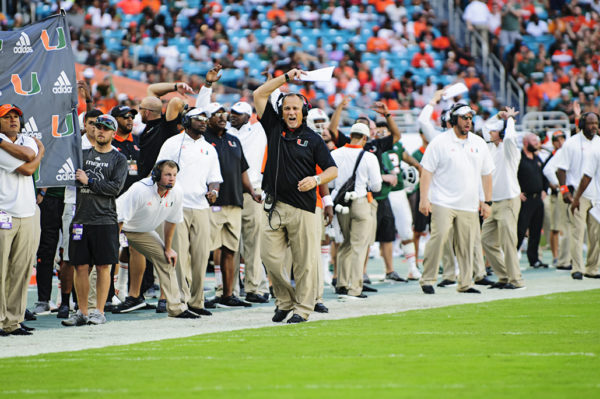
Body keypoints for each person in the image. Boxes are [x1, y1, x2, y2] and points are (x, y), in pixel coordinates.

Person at [253, 68, 338, 323]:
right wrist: (287, 79)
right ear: (281, 111)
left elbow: (333, 169)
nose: (291, 112)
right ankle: (286, 299)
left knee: (304, 263)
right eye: (287, 108)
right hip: (273, 205)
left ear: (304, 112)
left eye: (296, 109)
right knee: (269, 258)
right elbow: (259, 93)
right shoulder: (273, 126)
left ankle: (302, 308)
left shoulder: (313, 139)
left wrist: (316, 179)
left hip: (304, 208)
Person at [419, 104, 494, 294]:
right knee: (439, 238)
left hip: (468, 203)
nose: (468, 121)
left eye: (470, 117)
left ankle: (466, 282)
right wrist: (423, 199)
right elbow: (426, 171)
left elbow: (487, 174)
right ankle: (427, 279)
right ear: (454, 120)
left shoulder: (478, 143)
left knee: (467, 244)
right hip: (442, 201)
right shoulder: (440, 141)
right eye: (464, 118)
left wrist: (487, 201)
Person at [62, 115, 127, 326]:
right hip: (80, 218)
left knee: (103, 267)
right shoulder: (81, 155)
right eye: (98, 127)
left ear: (113, 134)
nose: (101, 131)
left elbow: (114, 189)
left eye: (106, 128)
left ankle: (98, 311)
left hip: (105, 220)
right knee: (80, 267)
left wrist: (88, 181)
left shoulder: (119, 159)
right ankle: (81, 312)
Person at [157, 107, 222, 315]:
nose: (204, 122)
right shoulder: (172, 143)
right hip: (178, 205)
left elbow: (215, 178)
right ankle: (180, 302)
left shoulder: (210, 148)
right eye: (198, 119)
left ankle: (197, 302)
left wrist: (213, 192)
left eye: (206, 119)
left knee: (202, 256)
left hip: (202, 207)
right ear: (186, 121)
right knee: (178, 256)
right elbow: (158, 170)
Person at [116, 160, 199, 318]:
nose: (172, 178)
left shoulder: (177, 192)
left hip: (141, 231)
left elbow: (172, 221)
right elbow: (120, 219)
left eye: (174, 175)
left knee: (166, 260)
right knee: (103, 262)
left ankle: (176, 308)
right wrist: (113, 246)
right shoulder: (140, 189)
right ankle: (92, 308)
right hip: (116, 224)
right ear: (156, 175)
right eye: (168, 174)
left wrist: (168, 249)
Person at [203, 102, 261, 308]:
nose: (221, 116)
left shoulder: (233, 141)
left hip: (235, 202)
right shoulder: (201, 140)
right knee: (204, 250)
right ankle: (196, 296)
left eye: (222, 113)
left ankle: (228, 294)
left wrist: (252, 192)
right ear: (207, 119)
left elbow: (242, 169)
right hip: (210, 204)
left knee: (231, 249)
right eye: (215, 114)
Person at [0, 104, 45, 336]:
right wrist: (41, 154)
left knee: (21, 269)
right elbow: (29, 166)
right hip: (3, 212)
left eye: (16, 116)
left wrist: (36, 154)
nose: (12, 120)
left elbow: (28, 157)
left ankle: (13, 321)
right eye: (6, 117)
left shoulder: (26, 139)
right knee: (1, 269)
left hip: (27, 212)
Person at [57, 108, 103, 319]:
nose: (96, 127)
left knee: (95, 258)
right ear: (84, 124)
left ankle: (85, 303)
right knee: (70, 255)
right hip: (75, 204)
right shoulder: (74, 145)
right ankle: (65, 301)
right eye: (92, 122)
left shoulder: (109, 150)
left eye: (100, 124)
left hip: (98, 207)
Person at [330, 123, 382, 299]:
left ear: (350, 134)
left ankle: (341, 283)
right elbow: (376, 185)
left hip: (341, 203)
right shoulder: (369, 157)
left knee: (344, 243)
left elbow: (329, 183)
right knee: (359, 246)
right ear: (365, 138)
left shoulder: (335, 154)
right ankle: (355, 287)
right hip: (360, 201)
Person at [227, 101, 270, 303]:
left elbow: (268, 110)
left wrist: (271, 87)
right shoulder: (224, 132)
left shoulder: (258, 131)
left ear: (248, 116)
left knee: (253, 243)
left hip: (254, 192)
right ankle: (231, 289)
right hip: (230, 193)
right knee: (230, 244)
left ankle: (253, 288)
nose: (233, 116)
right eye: (232, 113)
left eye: (238, 114)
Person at [480, 107, 525, 289]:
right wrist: (499, 116)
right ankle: (504, 277)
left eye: (494, 131)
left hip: (508, 201)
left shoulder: (510, 150)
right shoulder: (490, 148)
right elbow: (485, 128)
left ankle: (516, 280)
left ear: (501, 133)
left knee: (508, 242)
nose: (489, 132)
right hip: (493, 202)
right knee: (487, 240)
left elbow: (509, 138)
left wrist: (511, 120)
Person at [557, 112, 600, 279]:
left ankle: (592, 268)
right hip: (578, 194)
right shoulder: (571, 143)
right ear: (582, 125)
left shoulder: (599, 142)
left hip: (597, 196)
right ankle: (577, 268)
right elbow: (561, 169)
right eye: (590, 123)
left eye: (596, 123)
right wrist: (564, 190)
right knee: (577, 232)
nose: (594, 126)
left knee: (596, 235)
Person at [516, 133, 548, 269]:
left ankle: (534, 259)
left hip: (537, 199)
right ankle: (512, 257)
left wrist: (544, 189)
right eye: (534, 141)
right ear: (525, 142)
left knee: (536, 230)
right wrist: (516, 191)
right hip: (525, 199)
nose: (537, 143)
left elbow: (544, 174)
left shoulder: (537, 158)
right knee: (520, 230)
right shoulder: (519, 158)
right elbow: (512, 174)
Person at [542, 131, 571, 270]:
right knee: (557, 227)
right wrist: (560, 186)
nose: (560, 143)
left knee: (565, 226)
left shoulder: (564, 151)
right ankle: (557, 257)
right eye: (557, 140)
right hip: (559, 195)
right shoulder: (558, 153)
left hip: (565, 194)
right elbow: (547, 170)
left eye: (562, 139)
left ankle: (565, 257)